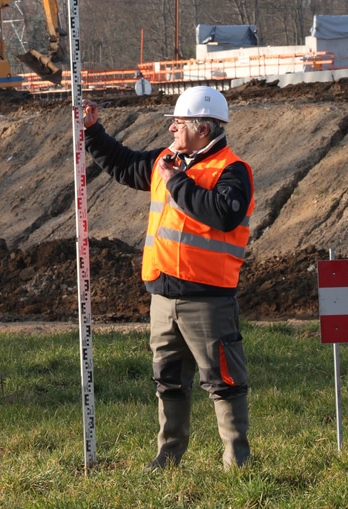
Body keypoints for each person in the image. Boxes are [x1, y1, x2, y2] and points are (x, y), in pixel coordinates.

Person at [83, 85, 254, 470]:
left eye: (179, 123)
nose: (172, 129)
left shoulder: (232, 170)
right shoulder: (168, 159)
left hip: (208, 300)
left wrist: (177, 181)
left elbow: (223, 214)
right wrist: (93, 131)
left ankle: (237, 463)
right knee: (169, 380)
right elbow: (123, 164)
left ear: (203, 129)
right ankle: (168, 457)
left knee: (224, 380)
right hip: (163, 296)